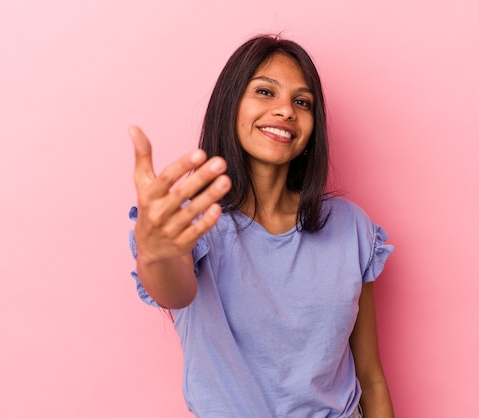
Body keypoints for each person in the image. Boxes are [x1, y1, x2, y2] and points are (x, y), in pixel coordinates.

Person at [128, 34, 395, 417]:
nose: (286, 110)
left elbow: (370, 378)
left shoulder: (351, 227)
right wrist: (154, 253)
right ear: (230, 103)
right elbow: (175, 292)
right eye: (265, 92)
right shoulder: (191, 219)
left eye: (301, 102)